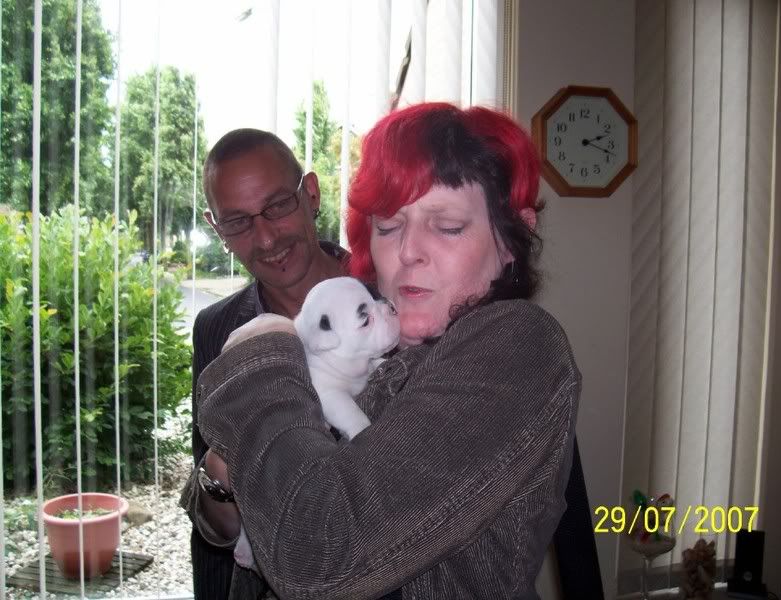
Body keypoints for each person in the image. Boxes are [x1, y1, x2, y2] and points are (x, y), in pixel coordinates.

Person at [186, 103, 581, 599]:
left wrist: (264, 350)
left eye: (448, 226)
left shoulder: (515, 342)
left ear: (510, 241)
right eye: (389, 227)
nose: (408, 251)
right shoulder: (388, 351)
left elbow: (317, 555)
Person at [185, 128, 346, 599]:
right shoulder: (216, 330)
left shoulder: (391, 300)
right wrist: (219, 479)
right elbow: (212, 526)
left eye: (277, 205)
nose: (266, 236)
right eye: (237, 222)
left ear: (310, 194)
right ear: (217, 229)